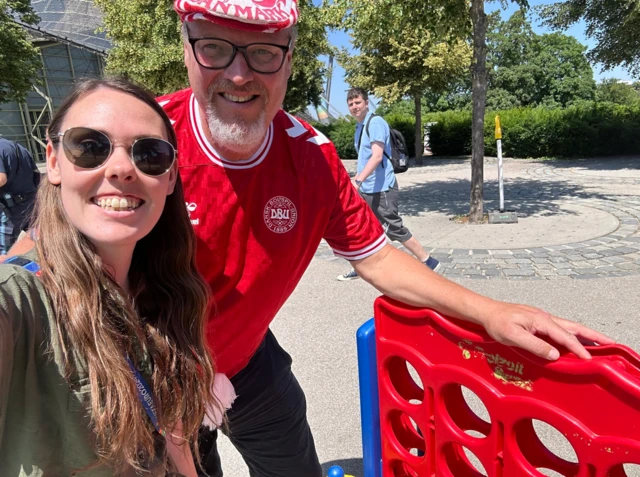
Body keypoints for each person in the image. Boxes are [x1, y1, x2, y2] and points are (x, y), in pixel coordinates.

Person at [6, 2, 614, 476]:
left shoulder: (313, 160)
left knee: (291, 461)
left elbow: (376, 258)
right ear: (188, 52)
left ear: (289, 59)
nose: (239, 74)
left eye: (264, 53)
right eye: (215, 48)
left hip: (246, 359)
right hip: (156, 366)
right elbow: (41, 257)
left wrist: (493, 311)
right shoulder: (144, 144)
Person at [0, 78, 225, 476]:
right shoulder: (20, 303)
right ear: (53, 161)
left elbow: (170, 432)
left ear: (170, 178)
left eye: (150, 154)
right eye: (89, 147)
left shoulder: (165, 291)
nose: (122, 168)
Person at [337, 87, 439, 281]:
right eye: (351, 104)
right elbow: (364, 159)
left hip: (381, 187)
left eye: (358, 102)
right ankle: (362, 267)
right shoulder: (360, 127)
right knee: (364, 227)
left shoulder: (375, 123)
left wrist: (358, 180)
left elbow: (376, 157)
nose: (354, 106)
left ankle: (428, 261)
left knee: (393, 227)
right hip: (368, 187)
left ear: (367, 103)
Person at [0, 136, 40, 255]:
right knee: (39, 239)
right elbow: (36, 174)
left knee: (3, 253)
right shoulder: (20, 148)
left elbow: (1, 178)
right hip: (31, 204)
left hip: (10, 211)